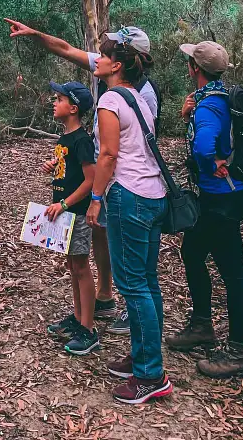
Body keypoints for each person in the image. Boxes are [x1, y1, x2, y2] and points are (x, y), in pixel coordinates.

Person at [5, 19, 158, 334]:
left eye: (110, 50)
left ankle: (132, 324)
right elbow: (65, 48)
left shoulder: (141, 95)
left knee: (131, 258)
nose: (97, 58)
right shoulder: (108, 73)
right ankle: (103, 297)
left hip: (125, 182)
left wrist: (98, 193)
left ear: (122, 60)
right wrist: (36, 34)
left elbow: (135, 147)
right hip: (107, 175)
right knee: (99, 236)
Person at [85, 37, 172, 404]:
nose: (98, 61)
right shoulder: (139, 97)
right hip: (154, 195)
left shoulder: (109, 99)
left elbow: (107, 155)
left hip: (129, 195)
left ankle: (151, 374)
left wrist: (95, 198)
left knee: (133, 285)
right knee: (146, 282)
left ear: (116, 65)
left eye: (103, 56)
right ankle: (142, 357)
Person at [166, 40, 243, 378]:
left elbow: (204, 144)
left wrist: (210, 161)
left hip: (222, 201)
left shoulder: (208, 106)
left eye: (190, 62)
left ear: (195, 70)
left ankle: (238, 353)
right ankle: (202, 324)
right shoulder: (218, 98)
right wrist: (188, 114)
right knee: (191, 252)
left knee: (233, 276)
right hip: (224, 196)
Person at [43, 81, 99, 356]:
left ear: (73, 108)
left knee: (81, 267)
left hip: (74, 212)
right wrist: (53, 167)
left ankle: (88, 329)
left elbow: (91, 180)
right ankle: (77, 318)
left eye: (59, 99)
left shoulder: (82, 141)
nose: (54, 103)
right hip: (64, 212)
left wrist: (64, 204)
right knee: (72, 265)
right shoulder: (64, 140)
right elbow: (70, 171)